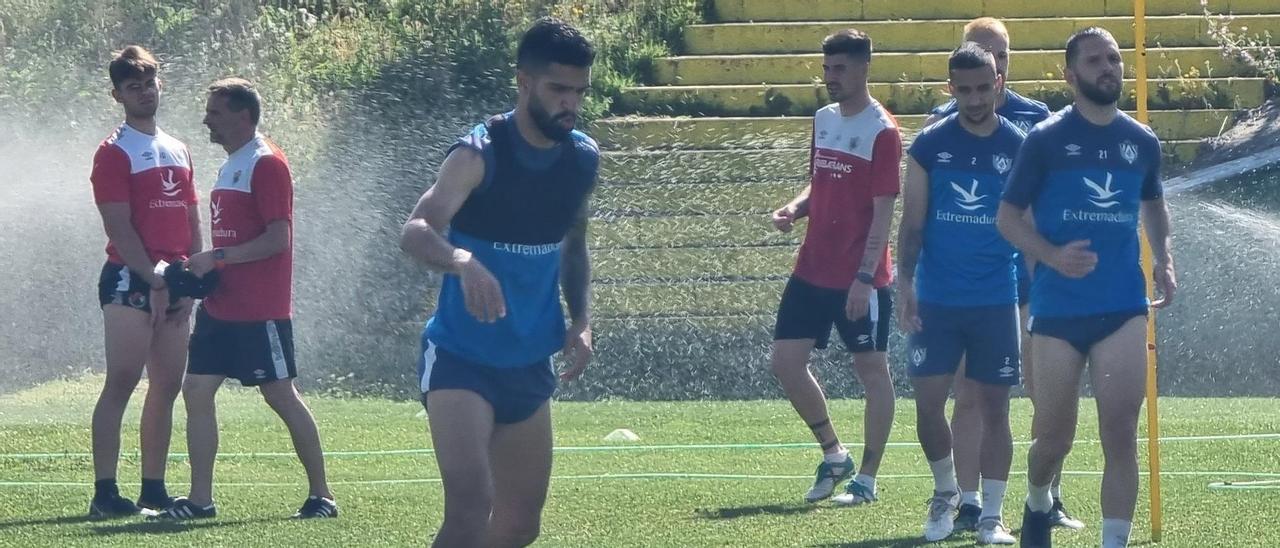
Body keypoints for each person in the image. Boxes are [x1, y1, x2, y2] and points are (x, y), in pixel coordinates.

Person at [398, 17, 598, 547]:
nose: (570, 103)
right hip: (461, 356)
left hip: (529, 361)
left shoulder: (581, 158)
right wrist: (461, 259)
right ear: (524, 81)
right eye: (559, 89)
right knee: (469, 508)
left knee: (519, 527)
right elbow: (415, 231)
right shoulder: (477, 153)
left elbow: (573, 248)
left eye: (579, 91)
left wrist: (580, 321)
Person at [996, 27, 1176, 548]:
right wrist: (1051, 255)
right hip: (1056, 311)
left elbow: (1154, 205)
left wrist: (1164, 257)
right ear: (1070, 75)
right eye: (1096, 61)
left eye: (1115, 59)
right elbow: (1007, 219)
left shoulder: (1140, 141)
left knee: (1120, 435)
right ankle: (1036, 502)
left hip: (1122, 305)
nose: (1109, 68)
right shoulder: (1045, 140)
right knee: (1053, 438)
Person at [152, 78, 337, 520]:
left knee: (280, 396)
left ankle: (322, 497)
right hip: (222, 305)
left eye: (215, 112)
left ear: (242, 115)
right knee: (195, 389)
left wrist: (217, 255)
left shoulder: (266, 163)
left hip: (260, 310)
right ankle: (200, 501)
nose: (206, 120)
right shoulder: (232, 163)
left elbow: (278, 239)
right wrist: (201, 272)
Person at [926, 17, 1083, 534]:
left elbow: (1047, 205)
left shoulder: (1035, 121)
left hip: (1023, 281)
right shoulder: (943, 121)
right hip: (972, 286)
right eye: (986, 55)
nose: (997, 68)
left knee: (1042, 392)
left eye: (1004, 57)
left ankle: (1047, 494)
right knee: (971, 395)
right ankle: (969, 502)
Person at [897, 43, 1023, 544]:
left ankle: (992, 515)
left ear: (999, 82)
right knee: (928, 404)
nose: (974, 98)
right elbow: (912, 225)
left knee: (997, 408)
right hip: (937, 298)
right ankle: (947, 492)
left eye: (983, 87)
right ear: (950, 89)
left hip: (995, 297)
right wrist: (905, 284)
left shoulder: (1019, 146)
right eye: (964, 89)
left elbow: (1029, 223)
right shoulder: (929, 145)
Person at [769, 28, 899, 506]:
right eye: (826, 69)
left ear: (865, 68)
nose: (831, 77)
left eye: (840, 68)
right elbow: (819, 183)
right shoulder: (823, 118)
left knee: (872, 371)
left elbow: (884, 210)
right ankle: (833, 452)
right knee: (785, 362)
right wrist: (794, 208)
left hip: (860, 278)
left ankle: (866, 479)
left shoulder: (882, 130)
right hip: (812, 268)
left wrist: (865, 278)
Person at [88, 45, 199, 518]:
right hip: (128, 279)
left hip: (174, 281)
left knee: (168, 384)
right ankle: (106, 492)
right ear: (117, 94)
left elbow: (193, 221)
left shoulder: (179, 146)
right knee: (123, 380)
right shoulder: (113, 152)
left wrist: (188, 281)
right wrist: (151, 277)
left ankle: (153, 487)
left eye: (149, 83)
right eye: (133, 86)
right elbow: (119, 227)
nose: (144, 92)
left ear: (160, 84)